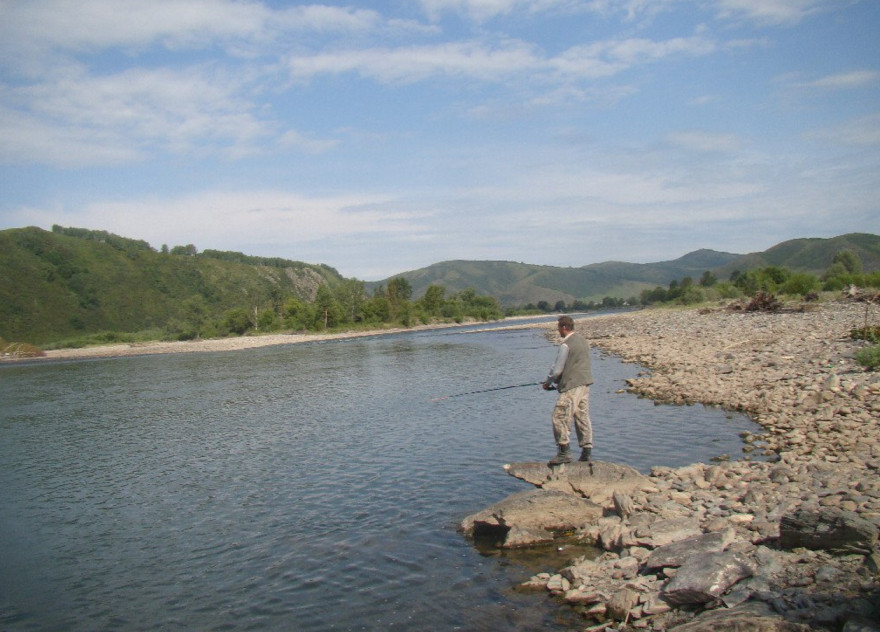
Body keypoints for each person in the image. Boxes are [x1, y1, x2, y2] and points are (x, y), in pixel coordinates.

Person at [542, 315, 594, 465]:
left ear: (564, 327)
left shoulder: (566, 344)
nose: (558, 330)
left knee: (559, 416)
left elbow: (557, 370)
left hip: (571, 386)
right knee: (582, 417)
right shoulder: (583, 341)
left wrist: (548, 381)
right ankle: (586, 452)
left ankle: (564, 452)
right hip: (584, 384)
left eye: (558, 327)